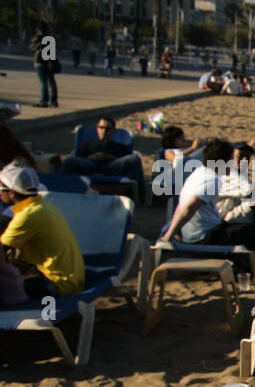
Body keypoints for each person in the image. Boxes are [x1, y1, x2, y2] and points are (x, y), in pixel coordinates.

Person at [160, 138, 255, 271]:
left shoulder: (198, 173)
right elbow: (189, 208)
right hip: (206, 239)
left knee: (246, 228)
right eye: (231, 159)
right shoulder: (212, 180)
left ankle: (248, 265)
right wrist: (168, 236)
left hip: (199, 235)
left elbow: (181, 206)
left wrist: (173, 231)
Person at [0, 162, 84, 299]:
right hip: (70, 279)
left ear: (12, 193)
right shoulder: (42, 207)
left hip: (55, 285)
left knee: (6, 284)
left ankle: (42, 318)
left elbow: (1, 250)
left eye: (0, 188)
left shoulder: (27, 216)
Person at [59, 116, 148, 196]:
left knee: (134, 158)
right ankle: (56, 189)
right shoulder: (88, 144)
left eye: (108, 128)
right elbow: (78, 156)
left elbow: (126, 158)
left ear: (113, 131)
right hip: (90, 166)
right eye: (101, 128)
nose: (104, 131)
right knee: (70, 160)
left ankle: (141, 194)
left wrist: (110, 157)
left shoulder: (119, 146)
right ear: (97, 129)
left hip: (111, 167)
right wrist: (91, 157)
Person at [30, 28, 58, 108]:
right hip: (49, 62)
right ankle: (53, 101)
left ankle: (44, 101)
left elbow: (32, 48)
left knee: (43, 83)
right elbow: (53, 51)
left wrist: (36, 38)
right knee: (52, 82)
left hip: (40, 62)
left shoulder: (39, 38)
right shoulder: (51, 38)